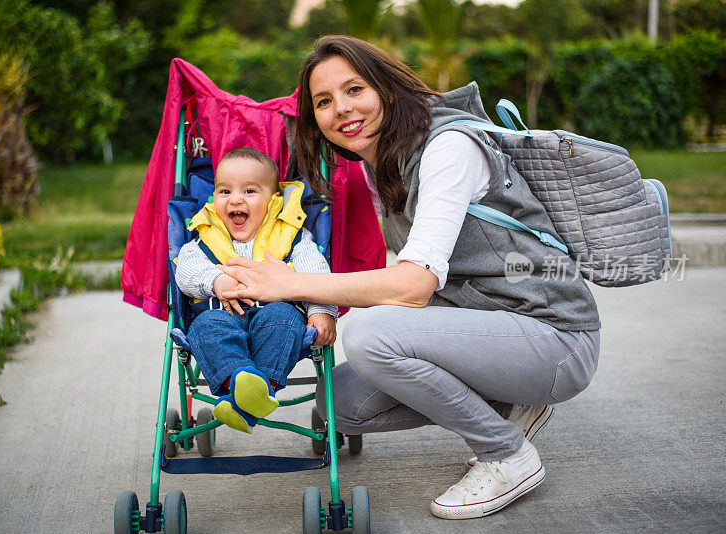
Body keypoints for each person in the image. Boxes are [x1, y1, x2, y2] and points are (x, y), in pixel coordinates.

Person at [218, 36, 601, 519]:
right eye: (323, 102)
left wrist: (290, 283)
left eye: (354, 89)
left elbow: (414, 284)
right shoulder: (383, 162)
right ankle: (512, 405)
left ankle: (506, 454)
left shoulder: (449, 147)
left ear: (386, 87)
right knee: (341, 404)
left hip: (554, 337)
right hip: (488, 323)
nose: (341, 110)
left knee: (368, 333)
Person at [175, 147, 337, 434]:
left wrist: (322, 311)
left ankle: (247, 397)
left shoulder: (291, 236)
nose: (235, 199)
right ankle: (242, 382)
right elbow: (184, 272)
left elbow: (316, 274)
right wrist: (216, 281)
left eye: (249, 191)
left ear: (273, 201)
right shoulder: (204, 234)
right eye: (224, 192)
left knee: (285, 320)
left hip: (275, 313)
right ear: (214, 197)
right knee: (205, 327)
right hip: (219, 314)